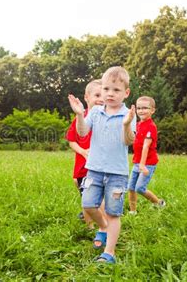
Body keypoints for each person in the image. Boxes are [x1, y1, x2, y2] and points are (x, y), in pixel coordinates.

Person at [68, 66, 136, 264]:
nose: (110, 94)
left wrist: (126, 124)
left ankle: (109, 253)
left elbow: (129, 141)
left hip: (116, 174)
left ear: (126, 93)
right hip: (94, 170)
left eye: (116, 90)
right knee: (88, 204)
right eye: (106, 89)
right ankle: (104, 227)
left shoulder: (128, 115)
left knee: (113, 213)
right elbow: (82, 133)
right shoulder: (96, 112)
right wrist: (80, 114)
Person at [65, 79, 103, 228]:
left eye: (104, 95)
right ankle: (89, 226)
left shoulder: (108, 117)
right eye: (97, 95)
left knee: (101, 199)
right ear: (87, 97)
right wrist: (83, 152)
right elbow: (71, 140)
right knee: (87, 199)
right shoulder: (81, 118)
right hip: (83, 168)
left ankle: (104, 226)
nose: (101, 99)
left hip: (102, 168)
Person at [127, 96, 165, 214]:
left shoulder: (151, 126)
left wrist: (142, 165)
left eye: (145, 108)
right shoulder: (138, 124)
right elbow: (132, 138)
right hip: (137, 162)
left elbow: (146, 146)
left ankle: (159, 203)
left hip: (148, 163)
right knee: (131, 187)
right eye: (139, 108)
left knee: (140, 188)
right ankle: (133, 211)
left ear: (152, 110)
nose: (141, 111)